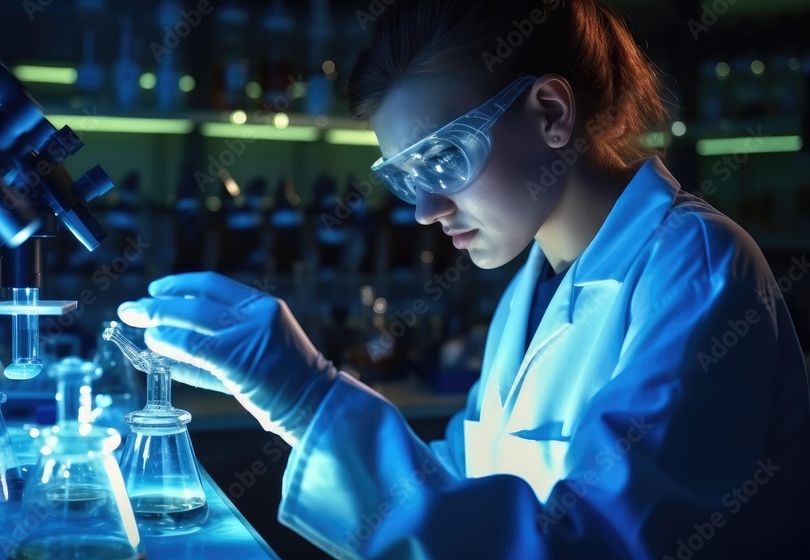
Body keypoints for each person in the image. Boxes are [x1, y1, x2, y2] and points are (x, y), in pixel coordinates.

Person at [118, 0, 810, 557]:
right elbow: (465, 482)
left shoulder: (697, 264)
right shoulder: (534, 283)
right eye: (407, 176)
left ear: (551, 113)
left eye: (445, 157)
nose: (424, 209)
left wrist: (313, 398)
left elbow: (600, 545)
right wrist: (300, 410)